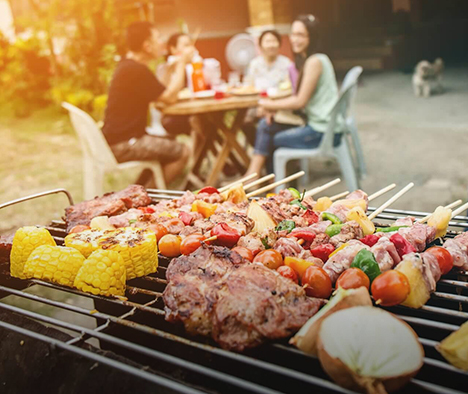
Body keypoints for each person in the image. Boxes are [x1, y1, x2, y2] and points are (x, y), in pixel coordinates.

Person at [244, 15, 342, 177]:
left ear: (312, 37)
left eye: (301, 35)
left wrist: (268, 105)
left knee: (272, 138)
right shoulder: (308, 60)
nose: (295, 39)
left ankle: (263, 180)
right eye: (293, 34)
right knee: (265, 126)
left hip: (322, 131)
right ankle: (259, 178)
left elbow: (299, 101)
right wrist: (272, 107)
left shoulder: (314, 62)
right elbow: (297, 94)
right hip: (317, 124)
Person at [102, 21, 193, 186]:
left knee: (168, 149)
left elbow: (160, 94)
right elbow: (170, 97)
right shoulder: (136, 70)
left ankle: (139, 193)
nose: (162, 43)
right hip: (126, 143)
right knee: (183, 152)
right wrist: (181, 65)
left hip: (120, 140)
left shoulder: (129, 66)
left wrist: (169, 69)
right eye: (158, 38)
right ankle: (144, 200)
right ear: (147, 46)